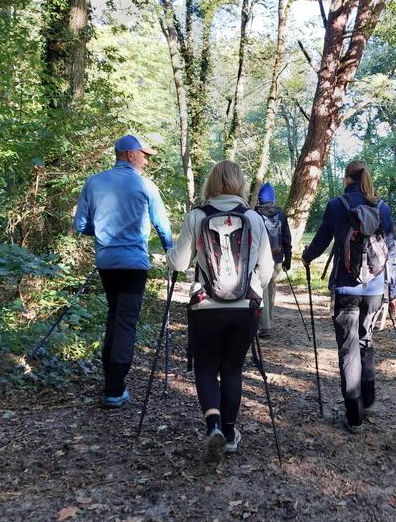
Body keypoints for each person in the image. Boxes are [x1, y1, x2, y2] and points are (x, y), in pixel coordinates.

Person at [167, 160, 274, 459]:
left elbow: (178, 263)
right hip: (245, 309)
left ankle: (212, 424)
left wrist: (167, 255)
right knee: (232, 369)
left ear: (211, 183)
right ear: (240, 183)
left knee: (205, 367)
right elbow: (266, 270)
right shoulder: (254, 218)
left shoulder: (197, 216)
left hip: (205, 307)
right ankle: (229, 433)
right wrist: (251, 290)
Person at [74, 134, 173, 408]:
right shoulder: (145, 185)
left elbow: (80, 225)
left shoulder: (93, 183)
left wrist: (105, 235)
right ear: (131, 154)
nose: (146, 160)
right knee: (126, 321)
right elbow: (162, 226)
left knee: (114, 315)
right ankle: (115, 388)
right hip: (133, 264)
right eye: (144, 155)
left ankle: (111, 380)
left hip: (106, 261)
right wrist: (171, 252)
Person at [302, 161, 396, 433]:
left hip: (346, 288)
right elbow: (389, 251)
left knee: (348, 349)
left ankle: (354, 415)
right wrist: (392, 291)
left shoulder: (337, 205)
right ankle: (368, 398)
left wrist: (307, 257)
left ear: (346, 178)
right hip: (376, 288)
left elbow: (321, 241)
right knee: (365, 341)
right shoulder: (383, 207)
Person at [254, 182, 292, 338]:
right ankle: (268, 321)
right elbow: (286, 237)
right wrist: (288, 257)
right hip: (276, 257)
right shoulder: (281, 214)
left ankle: (263, 325)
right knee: (270, 288)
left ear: (259, 198)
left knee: (259, 289)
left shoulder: (254, 214)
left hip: (259, 258)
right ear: (273, 198)